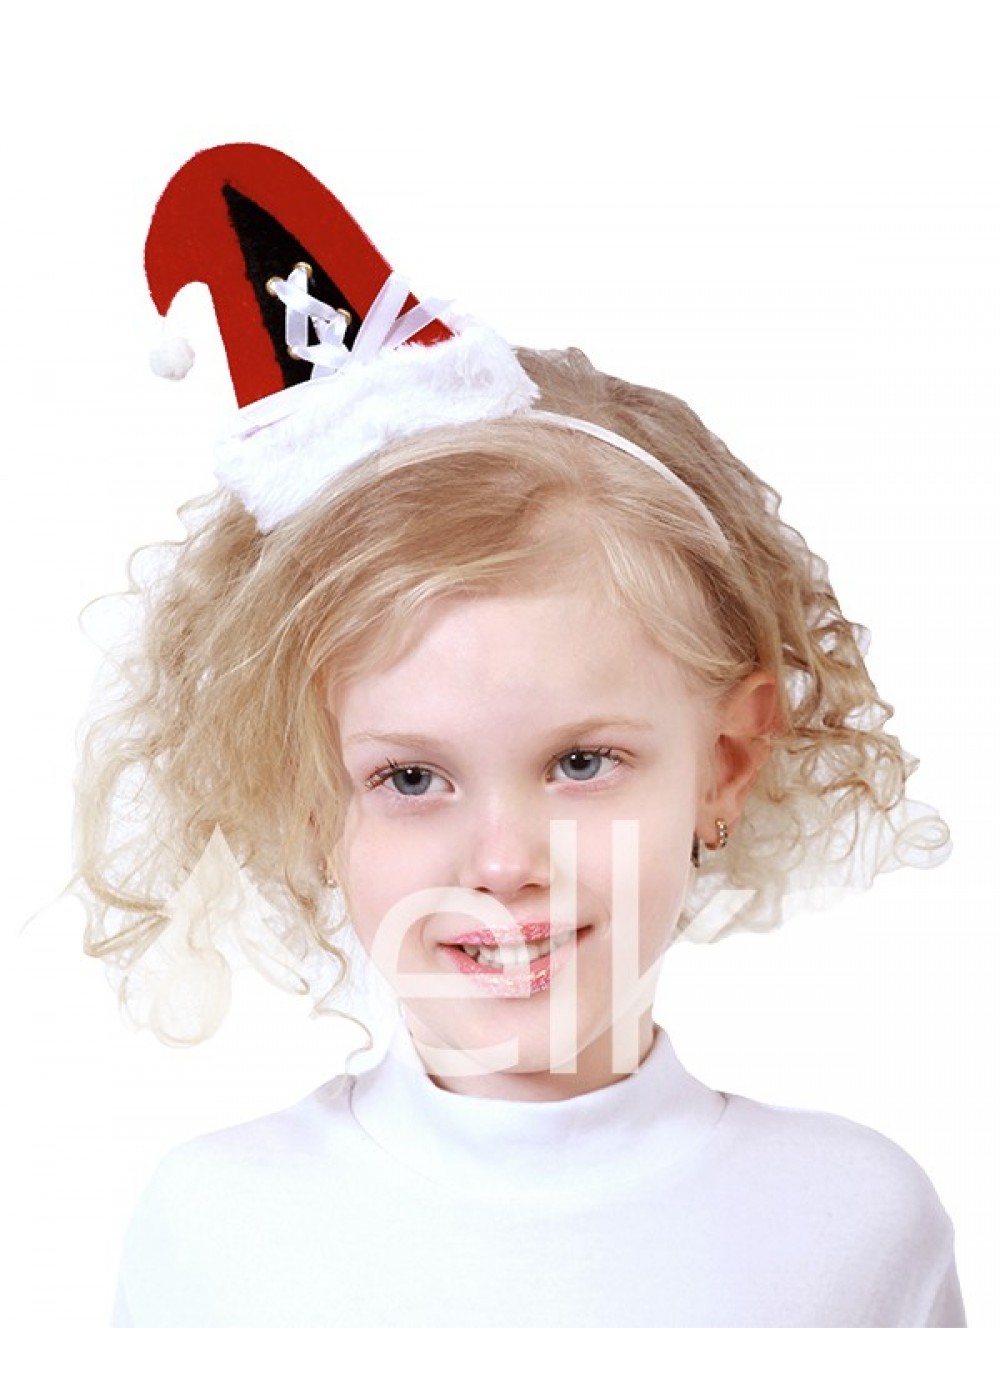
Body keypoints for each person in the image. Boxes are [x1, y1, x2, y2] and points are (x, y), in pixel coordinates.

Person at [75, 144, 964, 1327]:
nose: (502, 861)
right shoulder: (215, 1230)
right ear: (309, 799)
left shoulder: (852, 1224)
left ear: (727, 762)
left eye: (581, 761)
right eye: (409, 775)